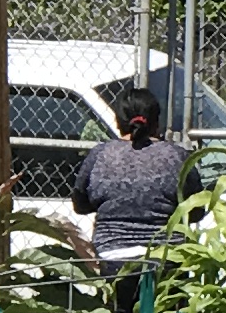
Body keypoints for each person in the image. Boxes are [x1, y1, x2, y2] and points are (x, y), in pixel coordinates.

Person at [72, 83, 193, 267]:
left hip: (111, 257)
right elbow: (196, 209)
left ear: (118, 122)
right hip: (167, 260)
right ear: (156, 122)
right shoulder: (177, 156)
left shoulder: (100, 155)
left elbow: (80, 205)